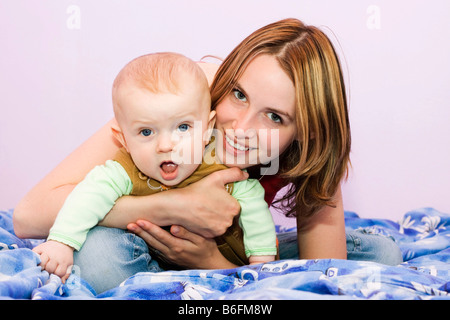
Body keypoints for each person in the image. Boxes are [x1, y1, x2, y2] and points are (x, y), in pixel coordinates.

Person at [14, 18, 402, 293]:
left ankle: (193, 279)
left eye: (274, 116)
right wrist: (173, 205)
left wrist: (211, 262)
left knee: (379, 254)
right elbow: (28, 216)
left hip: (230, 250)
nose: (240, 127)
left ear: (307, 133)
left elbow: (324, 274)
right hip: (142, 239)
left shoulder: (314, 152)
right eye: (239, 94)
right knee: (99, 255)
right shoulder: (183, 96)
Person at [31, 52, 277, 282]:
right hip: (152, 257)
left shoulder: (219, 167)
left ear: (207, 128)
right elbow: (86, 198)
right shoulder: (123, 171)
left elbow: (255, 211)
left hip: (222, 260)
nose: (166, 145)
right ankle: (154, 281)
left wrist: (261, 263)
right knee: (96, 252)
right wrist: (61, 242)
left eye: (183, 128)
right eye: (146, 132)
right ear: (123, 140)